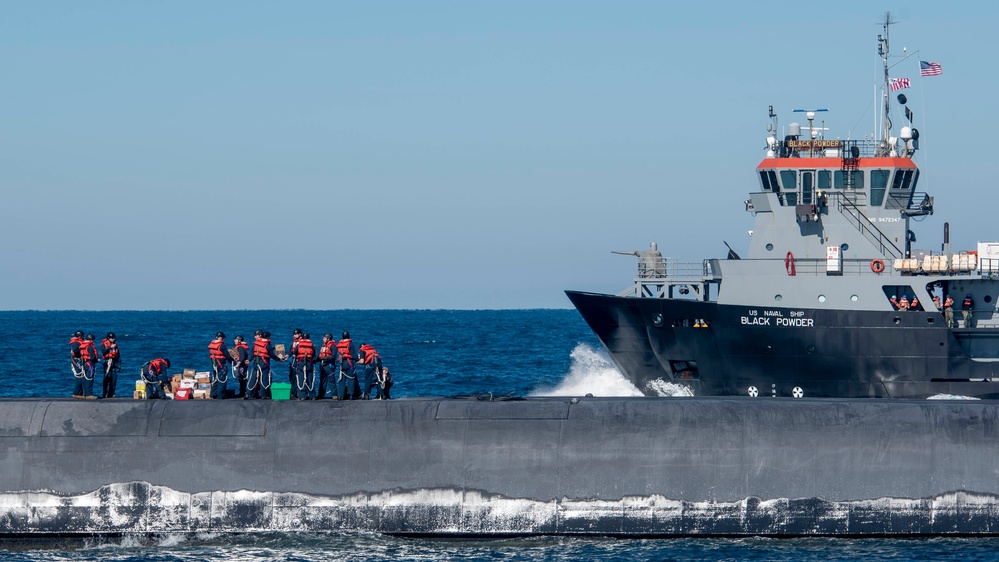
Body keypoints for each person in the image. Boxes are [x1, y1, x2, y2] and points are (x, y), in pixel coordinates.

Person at [247, 330, 283, 399]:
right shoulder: (267, 344)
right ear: (267, 337)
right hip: (264, 363)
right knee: (264, 378)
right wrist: (278, 359)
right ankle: (263, 394)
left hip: (256, 363)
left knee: (253, 378)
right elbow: (271, 354)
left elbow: (252, 353)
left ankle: (248, 393)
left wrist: (248, 360)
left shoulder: (256, 344)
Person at [292, 332, 317, 400]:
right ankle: (312, 395)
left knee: (301, 379)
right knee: (310, 379)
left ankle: (301, 395)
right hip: (309, 363)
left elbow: (294, 353)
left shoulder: (299, 344)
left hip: (301, 363)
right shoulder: (311, 345)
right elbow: (314, 354)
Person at [75, 334, 100, 399]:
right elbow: (92, 357)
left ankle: (85, 393)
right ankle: (89, 394)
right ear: (91, 339)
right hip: (90, 364)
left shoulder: (82, 345)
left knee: (84, 379)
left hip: (83, 363)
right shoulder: (90, 346)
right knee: (89, 379)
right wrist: (97, 360)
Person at [336, 330, 359, 400]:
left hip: (342, 363)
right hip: (349, 363)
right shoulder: (350, 344)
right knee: (351, 379)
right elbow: (354, 355)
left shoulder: (340, 344)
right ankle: (351, 394)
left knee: (342, 379)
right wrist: (358, 359)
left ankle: (340, 395)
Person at [208, 332, 230, 400]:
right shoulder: (222, 346)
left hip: (214, 364)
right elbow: (227, 356)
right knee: (222, 379)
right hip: (221, 364)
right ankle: (221, 395)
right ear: (221, 338)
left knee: (215, 379)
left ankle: (213, 393)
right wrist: (233, 362)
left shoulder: (212, 345)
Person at [316, 333, 338, 399]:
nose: (323, 339)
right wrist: (314, 360)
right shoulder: (323, 346)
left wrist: (326, 358)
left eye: (324, 338)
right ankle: (320, 395)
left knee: (331, 380)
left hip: (329, 365)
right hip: (322, 365)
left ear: (328, 339)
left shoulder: (333, 346)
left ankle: (334, 395)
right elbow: (319, 356)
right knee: (322, 381)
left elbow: (334, 356)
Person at [100, 332, 121, 398]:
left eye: (113, 338)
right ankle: (104, 393)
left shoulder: (115, 345)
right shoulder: (103, 344)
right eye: (111, 338)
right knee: (107, 378)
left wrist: (119, 365)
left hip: (114, 362)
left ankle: (111, 393)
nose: (112, 339)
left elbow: (118, 355)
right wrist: (109, 348)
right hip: (107, 362)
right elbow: (103, 351)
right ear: (108, 338)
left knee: (114, 378)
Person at [288, 329, 303, 399]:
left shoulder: (302, 342)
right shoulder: (294, 342)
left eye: (296, 334)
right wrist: (287, 356)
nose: (294, 335)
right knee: (292, 377)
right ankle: (294, 393)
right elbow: (291, 351)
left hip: (299, 361)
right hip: (293, 361)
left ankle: (301, 393)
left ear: (299, 334)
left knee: (299, 378)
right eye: (294, 334)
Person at [69, 330, 85, 396]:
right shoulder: (76, 343)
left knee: (82, 377)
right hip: (76, 361)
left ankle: (80, 393)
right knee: (79, 377)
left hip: (80, 360)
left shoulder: (79, 342)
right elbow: (75, 350)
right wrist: (82, 348)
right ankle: (76, 393)